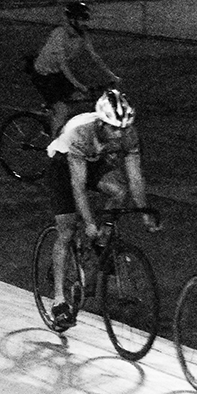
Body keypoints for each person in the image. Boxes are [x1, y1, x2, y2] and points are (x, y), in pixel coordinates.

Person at [44, 89, 159, 330]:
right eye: (114, 129)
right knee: (67, 230)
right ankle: (59, 301)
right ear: (100, 123)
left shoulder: (127, 134)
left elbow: (135, 178)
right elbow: (78, 187)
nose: (120, 134)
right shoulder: (80, 132)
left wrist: (145, 211)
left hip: (93, 161)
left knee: (119, 191)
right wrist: (88, 222)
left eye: (124, 129)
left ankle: (101, 242)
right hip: (63, 166)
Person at [31, 1, 121, 135]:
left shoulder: (82, 34)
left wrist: (111, 75)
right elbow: (63, 64)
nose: (85, 23)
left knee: (78, 100)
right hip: (43, 75)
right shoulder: (59, 34)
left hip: (57, 73)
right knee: (62, 109)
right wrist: (77, 84)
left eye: (85, 19)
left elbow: (94, 57)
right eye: (81, 19)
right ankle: (56, 144)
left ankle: (60, 124)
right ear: (72, 20)